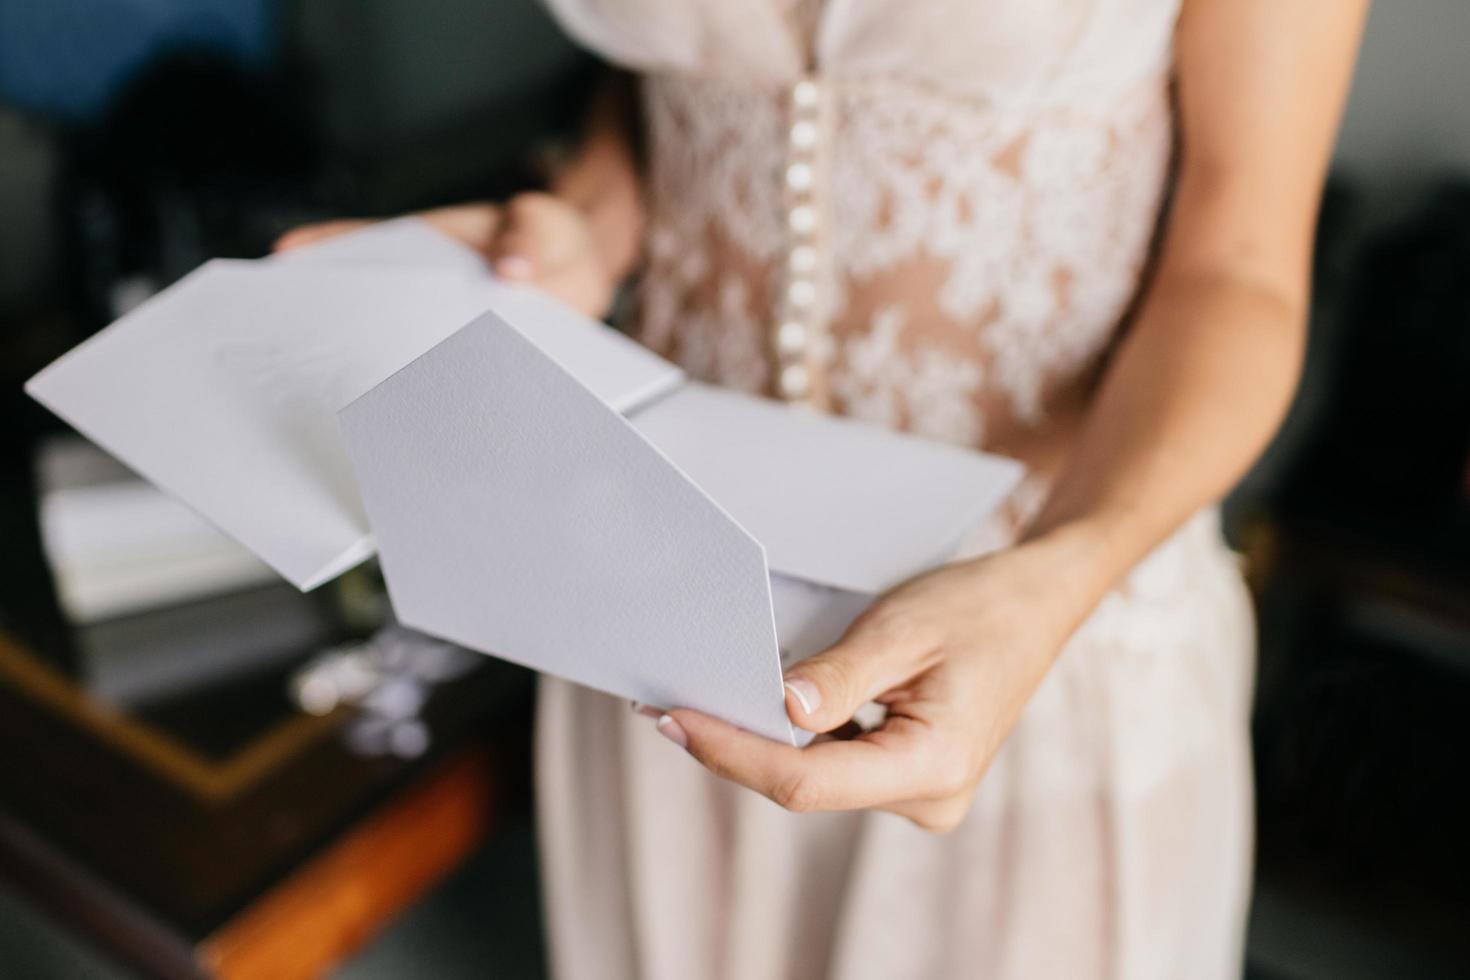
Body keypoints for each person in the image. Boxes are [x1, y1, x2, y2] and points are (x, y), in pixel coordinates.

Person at [278, 1, 1367, 976]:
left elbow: (1243, 267)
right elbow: (664, 82)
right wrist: (587, 229)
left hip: (1027, 623)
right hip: (662, 592)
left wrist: (1058, 571)